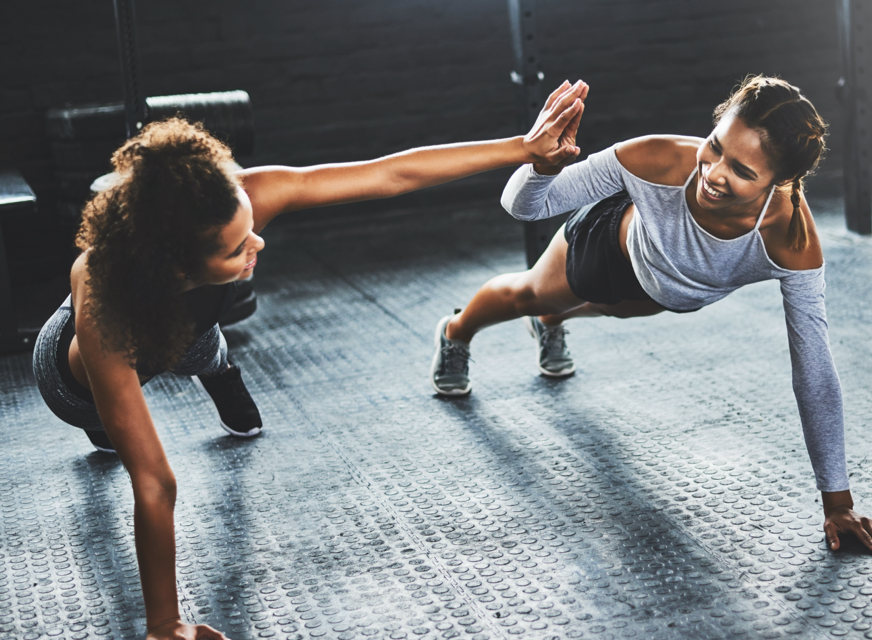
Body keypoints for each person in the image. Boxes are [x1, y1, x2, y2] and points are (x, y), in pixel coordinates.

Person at [31, 79, 588, 640]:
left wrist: (524, 146)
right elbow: (154, 483)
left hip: (185, 325)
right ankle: (121, 412)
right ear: (173, 267)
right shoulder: (108, 308)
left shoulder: (239, 197)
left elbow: (391, 174)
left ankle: (217, 367)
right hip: (72, 381)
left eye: (250, 228)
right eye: (237, 247)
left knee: (201, 342)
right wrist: (164, 624)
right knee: (111, 418)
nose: (260, 244)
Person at [430, 76, 872, 557]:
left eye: (741, 170)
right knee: (530, 295)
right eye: (715, 147)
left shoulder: (789, 242)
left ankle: (554, 324)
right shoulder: (655, 157)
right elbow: (525, 207)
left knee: (606, 312)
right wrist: (540, 165)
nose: (714, 173)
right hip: (607, 252)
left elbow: (815, 371)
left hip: (666, 293)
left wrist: (837, 503)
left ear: (779, 182)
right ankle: (457, 331)